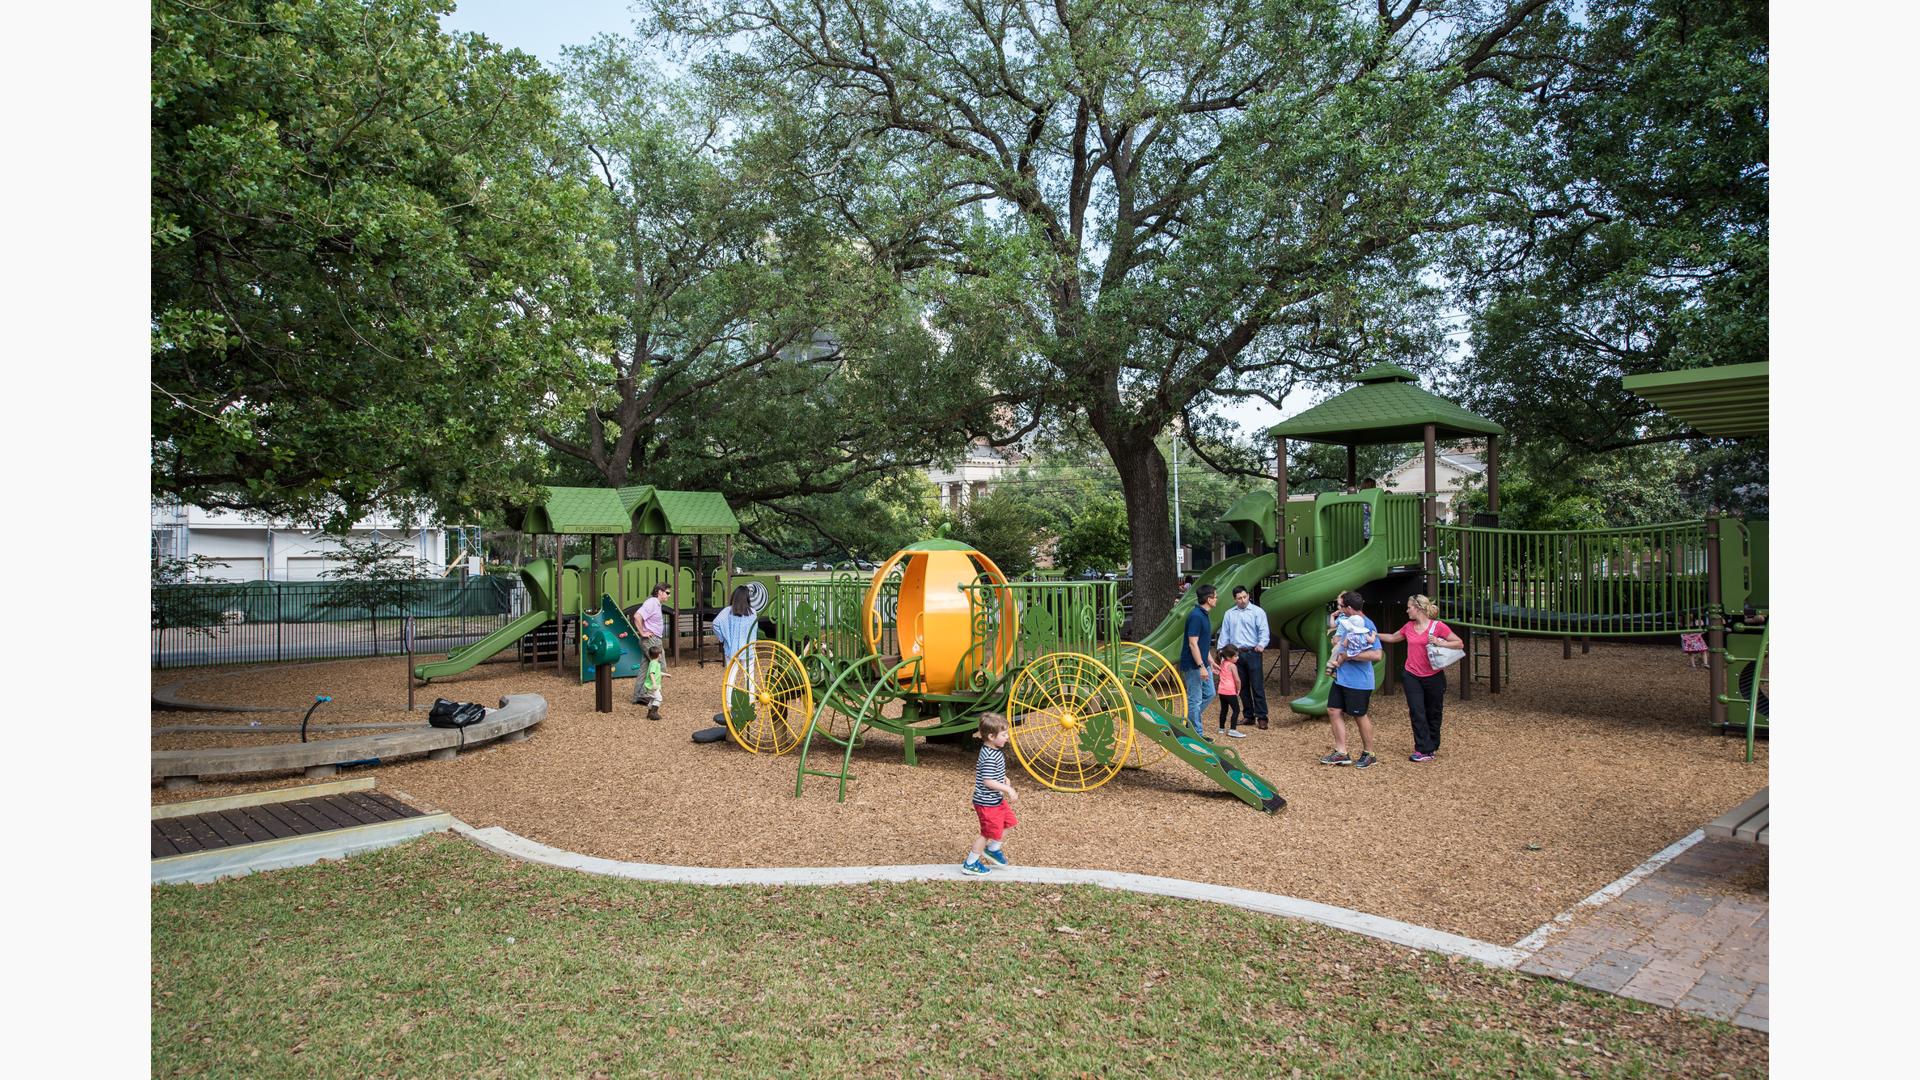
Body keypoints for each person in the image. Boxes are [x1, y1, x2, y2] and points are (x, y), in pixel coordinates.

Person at [1375, 594, 1463, 762]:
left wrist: (1440, 642)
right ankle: (1423, 749)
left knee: (1434, 711)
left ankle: (1432, 745)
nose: (1407, 610)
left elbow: (1459, 643)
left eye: (1409, 607)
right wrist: (1374, 634)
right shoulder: (1408, 626)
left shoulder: (1438, 627)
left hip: (1434, 676)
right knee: (1417, 711)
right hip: (1411, 675)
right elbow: (1393, 637)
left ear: (1419, 608)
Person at [1319, 590, 1381, 769]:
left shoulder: (1367, 625)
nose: (1340, 609)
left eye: (1342, 606)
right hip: (1341, 678)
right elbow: (1338, 639)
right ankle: (1341, 752)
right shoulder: (1346, 622)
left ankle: (1370, 753)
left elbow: (1377, 655)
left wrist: (1349, 656)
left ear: (1350, 608)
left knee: (1359, 715)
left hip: (1358, 681)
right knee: (1333, 709)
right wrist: (1337, 642)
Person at [962, 714, 1018, 876]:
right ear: (991, 737)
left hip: (996, 800)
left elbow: (994, 774)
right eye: (1004, 735)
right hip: (986, 803)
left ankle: (993, 850)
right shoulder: (988, 755)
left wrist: (1004, 778)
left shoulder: (994, 751)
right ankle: (970, 863)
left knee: (1010, 823)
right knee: (986, 833)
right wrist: (1008, 789)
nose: (1007, 738)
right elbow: (987, 781)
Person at [1216, 584, 1271, 728]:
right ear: (1235, 599)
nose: (1243, 600)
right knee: (1242, 686)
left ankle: (1262, 717)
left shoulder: (1257, 612)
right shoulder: (1229, 614)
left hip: (1253, 652)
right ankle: (1248, 715)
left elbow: (1264, 631)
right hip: (1236, 654)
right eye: (1239, 598)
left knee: (1257, 685)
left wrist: (1261, 644)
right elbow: (1225, 634)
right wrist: (1222, 653)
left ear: (1248, 595)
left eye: (1244, 597)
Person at [1178, 584, 1219, 741]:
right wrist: (1201, 666)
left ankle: (1188, 723)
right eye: (1215, 597)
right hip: (1194, 665)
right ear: (1209, 599)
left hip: (1202, 663)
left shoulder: (1203, 614)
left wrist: (1210, 661)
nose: (1217, 599)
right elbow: (1193, 643)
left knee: (1209, 693)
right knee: (1195, 699)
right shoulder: (1196, 616)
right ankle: (1196, 734)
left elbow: (1202, 643)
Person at [1214, 644, 1246, 738]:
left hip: (1221, 691)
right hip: (1230, 691)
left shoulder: (1223, 663)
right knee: (1236, 710)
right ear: (1228, 657)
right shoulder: (1232, 666)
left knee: (1224, 709)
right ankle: (1232, 729)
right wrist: (1239, 688)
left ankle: (1221, 728)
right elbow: (1237, 680)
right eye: (1235, 656)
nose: (1237, 657)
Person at [634, 582, 671, 660]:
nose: (669, 595)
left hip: (652, 640)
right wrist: (642, 633)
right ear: (660, 592)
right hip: (651, 640)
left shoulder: (656, 603)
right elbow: (637, 616)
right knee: (659, 666)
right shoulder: (652, 603)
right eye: (667, 593)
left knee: (646, 668)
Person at [633, 644, 667, 720]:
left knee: (653, 698)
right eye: (660, 654)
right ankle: (653, 713)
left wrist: (665, 674)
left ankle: (649, 712)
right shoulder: (654, 664)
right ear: (658, 655)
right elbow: (651, 673)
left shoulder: (653, 663)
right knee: (658, 698)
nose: (661, 655)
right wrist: (654, 683)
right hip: (652, 685)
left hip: (651, 685)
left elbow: (657, 672)